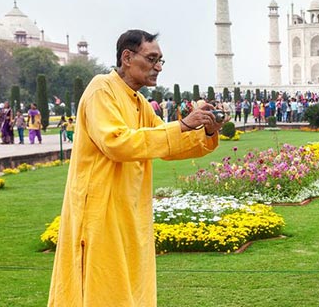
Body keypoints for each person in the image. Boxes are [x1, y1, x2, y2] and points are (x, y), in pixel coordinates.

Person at [48, 30, 223, 306]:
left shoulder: (139, 102)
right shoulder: (101, 89)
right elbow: (116, 143)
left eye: (161, 61)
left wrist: (207, 133)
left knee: (131, 288)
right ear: (127, 57)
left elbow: (167, 143)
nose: (158, 67)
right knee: (102, 289)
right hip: (100, 212)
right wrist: (184, 124)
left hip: (129, 213)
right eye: (152, 59)